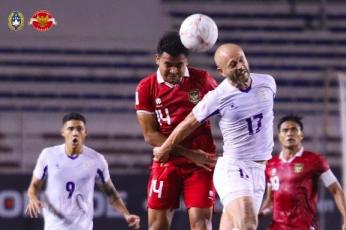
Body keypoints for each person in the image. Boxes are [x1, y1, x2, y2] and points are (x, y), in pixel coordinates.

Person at [154, 43, 276, 230]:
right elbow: (187, 124)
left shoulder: (267, 83)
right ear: (222, 71)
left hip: (259, 171)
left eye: (241, 60)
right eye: (232, 64)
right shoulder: (218, 96)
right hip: (234, 167)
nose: (240, 66)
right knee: (248, 225)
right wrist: (166, 148)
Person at [135, 31, 218, 230]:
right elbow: (150, 135)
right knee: (157, 226)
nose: (174, 71)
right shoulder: (146, 88)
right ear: (157, 60)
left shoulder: (203, 80)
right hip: (167, 161)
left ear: (186, 62)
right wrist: (189, 154)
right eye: (168, 65)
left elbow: (225, 107)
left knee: (201, 224)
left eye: (179, 65)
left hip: (201, 164)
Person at [25, 112, 140, 230]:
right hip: (54, 227)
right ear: (63, 132)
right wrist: (33, 198)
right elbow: (33, 186)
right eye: (70, 129)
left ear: (85, 132)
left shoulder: (96, 160)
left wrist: (126, 214)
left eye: (79, 129)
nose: (75, 132)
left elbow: (111, 193)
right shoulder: (48, 155)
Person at [259, 114, 346, 230]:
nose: (289, 133)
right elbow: (271, 199)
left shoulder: (314, 160)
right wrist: (259, 214)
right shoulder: (271, 164)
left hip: (305, 226)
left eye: (294, 130)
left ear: (301, 135)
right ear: (279, 135)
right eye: (285, 130)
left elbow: (336, 190)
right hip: (277, 227)